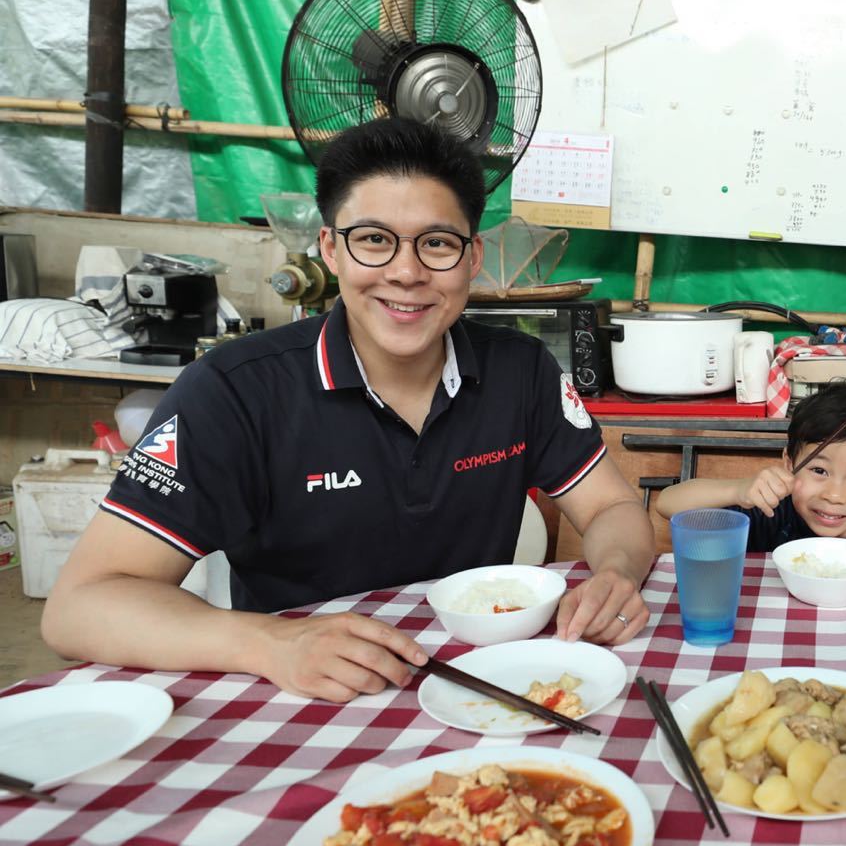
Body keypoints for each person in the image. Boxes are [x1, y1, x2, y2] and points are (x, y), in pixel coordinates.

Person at [42, 118, 655, 702]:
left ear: (472, 259)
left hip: (475, 681)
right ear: (331, 250)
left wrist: (616, 572)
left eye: (437, 243)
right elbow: (81, 605)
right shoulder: (232, 392)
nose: (407, 273)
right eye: (373, 240)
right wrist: (270, 642)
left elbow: (612, 507)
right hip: (297, 692)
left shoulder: (521, 371)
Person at [655, 382, 846, 557]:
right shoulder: (773, 503)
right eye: (819, 471)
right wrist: (739, 490)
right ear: (789, 464)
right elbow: (667, 504)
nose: (834, 496)